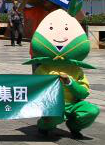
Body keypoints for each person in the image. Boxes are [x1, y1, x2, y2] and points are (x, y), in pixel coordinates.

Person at [26, 9, 99, 137]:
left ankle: (74, 125)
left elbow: (83, 93)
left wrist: (70, 82)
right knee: (56, 116)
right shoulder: (43, 69)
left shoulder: (76, 70)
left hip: (72, 104)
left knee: (91, 111)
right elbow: (36, 89)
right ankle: (44, 124)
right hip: (53, 104)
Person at [22, 0, 59, 71]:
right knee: (37, 76)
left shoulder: (58, 11)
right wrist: (26, 0)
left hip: (52, 50)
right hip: (37, 49)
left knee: (50, 76)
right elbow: (20, 10)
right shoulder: (38, 9)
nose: (45, 1)